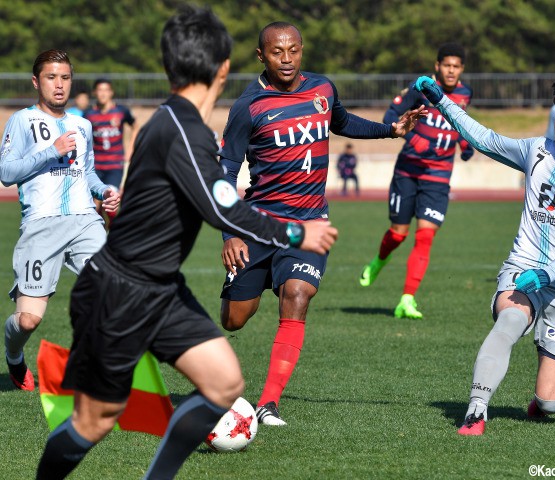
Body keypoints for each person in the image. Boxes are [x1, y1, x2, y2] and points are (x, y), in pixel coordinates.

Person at [35, 6, 337, 480]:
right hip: (120, 292)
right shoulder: (183, 130)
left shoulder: (174, 121)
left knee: (224, 383)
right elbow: (222, 207)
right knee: (95, 421)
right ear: (223, 68)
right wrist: (298, 232)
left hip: (160, 288)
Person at [218, 21, 423, 426]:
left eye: (293, 49)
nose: (287, 58)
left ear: (302, 49)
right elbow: (225, 172)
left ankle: (268, 403)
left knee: (297, 294)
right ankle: (248, 284)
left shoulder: (322, 89)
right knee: (234, 319)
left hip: (310, 223)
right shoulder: (248, 107)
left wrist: (390, 130)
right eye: (277, 52)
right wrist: (229, 234)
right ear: (261, 56)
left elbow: (342, 122)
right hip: (257, 225)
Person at [414, 72, 555, 436]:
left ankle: (544, 397)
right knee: (509, 319)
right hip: (524, 268)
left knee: (550, 401)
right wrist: (443, 103)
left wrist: (550, 274)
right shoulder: (535, 151)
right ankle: (476, 411)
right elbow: (485, 138)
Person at [0, 50, 120, 392]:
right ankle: (13, 355)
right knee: (27, 320)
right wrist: (51, 150)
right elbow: (6, 173)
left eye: (65, 78)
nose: (59, 84)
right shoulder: (21, 121)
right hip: (41, 225)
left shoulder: (82, 124)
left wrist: (104, 191)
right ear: (37, 82)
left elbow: (89, 173)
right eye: (51, 77)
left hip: (84, 220)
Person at [359, 43, 474, 320]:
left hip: (438, 175)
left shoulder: (465, 93)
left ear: (461, 69)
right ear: (437, 66)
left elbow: (456, 121)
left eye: (456, 66)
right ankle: (378, 261)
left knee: (425, 236)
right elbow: (390, 118)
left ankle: (406, 300)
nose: (451, 70)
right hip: (408, 170)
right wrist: (415, 138)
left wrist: (464, 141)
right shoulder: (420, 88)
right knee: (398, 234)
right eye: (446, 65)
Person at [84, 78, 138, 223]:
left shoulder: (121, 111)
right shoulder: (89, 114)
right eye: (99, 90)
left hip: (115, 165)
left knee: (110, 202)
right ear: (95, 92)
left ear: (111, 92)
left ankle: (113, 233)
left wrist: (131, 148)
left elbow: (135, 126)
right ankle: (100, 237)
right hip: (96, 166)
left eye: (105, 90)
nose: (102, 94)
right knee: (95, 207)